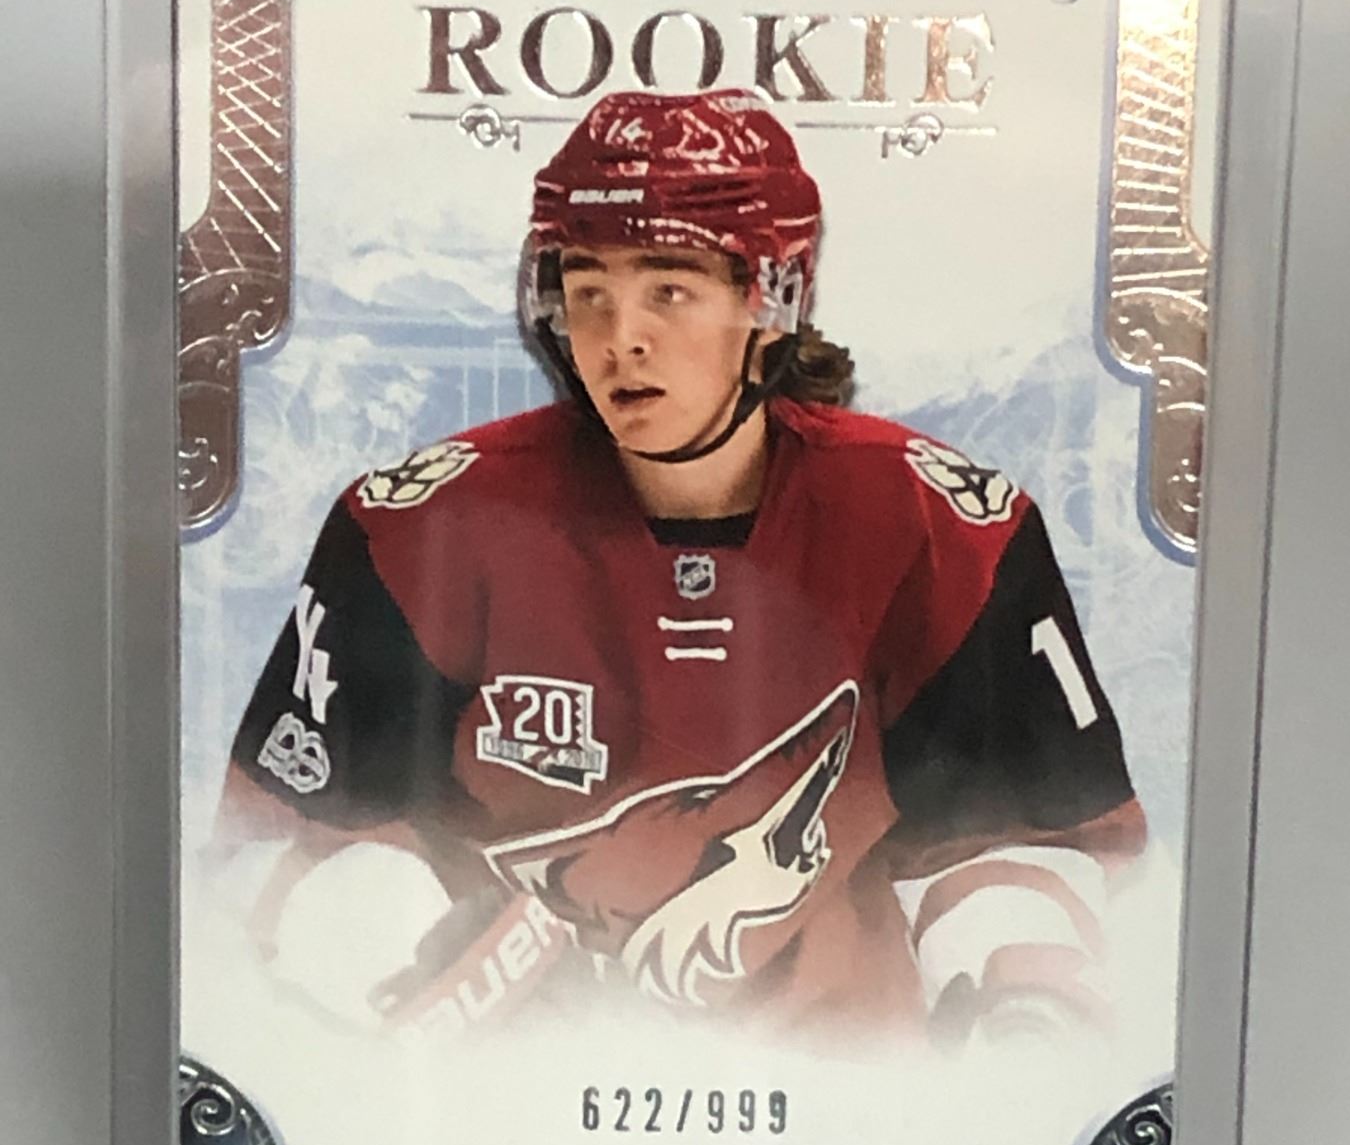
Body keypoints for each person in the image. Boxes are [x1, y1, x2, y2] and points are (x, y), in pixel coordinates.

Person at [216, 88, 1145, 1047]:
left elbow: (1031, 839)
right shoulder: (415, 533)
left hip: (847, 1100)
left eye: (669, 289)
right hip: (508, 1099)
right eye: (589, 292)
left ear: (771, 301)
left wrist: (1020, 997)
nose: (620, 337)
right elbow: (280, 840)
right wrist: (383, 940)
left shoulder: (941, 531)